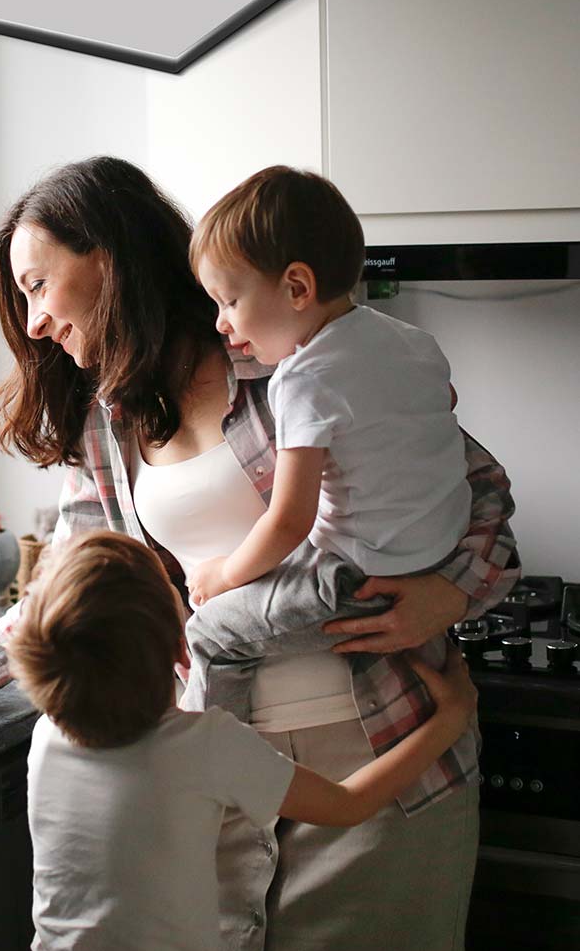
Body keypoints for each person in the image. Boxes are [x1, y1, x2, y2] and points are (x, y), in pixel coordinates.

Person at [0, 156, 519, 951]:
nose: (33, 318)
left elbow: (480, 494)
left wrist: (446, 596)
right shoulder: (112, 418)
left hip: (376, 737)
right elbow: (74, 582)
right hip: (214, 763)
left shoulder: (290, 347)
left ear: (106, 257)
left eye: (37, 284)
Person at [11, 529, 477, 951]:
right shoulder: (204, 745)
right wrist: (449, 720)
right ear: (176, 643)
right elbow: (348, 803)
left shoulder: (45, 739)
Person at [180, 165, 471, 724]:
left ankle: (207, 763)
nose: (220, 323)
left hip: (359, 579)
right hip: (439, 554)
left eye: (229, 301)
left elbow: (290, 521)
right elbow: (445, 408)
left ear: (296, 288)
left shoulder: (303, 378)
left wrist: (223, 576)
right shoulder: (415, 343)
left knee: (209, 635)